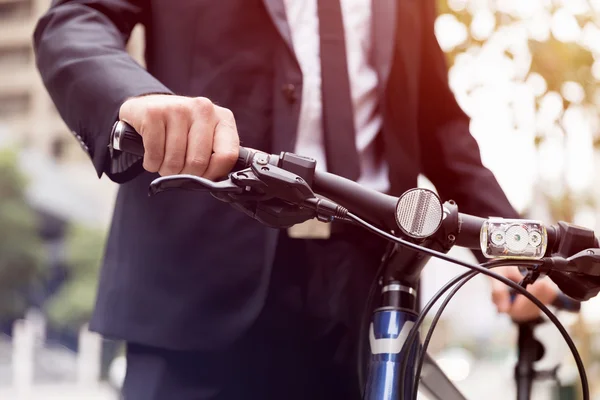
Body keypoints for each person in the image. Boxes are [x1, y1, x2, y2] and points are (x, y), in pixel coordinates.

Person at [33, 0, 556, 398]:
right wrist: (138, 96)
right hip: (198, 282)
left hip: (365, 290)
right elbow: (76, 18)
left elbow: (438, 123)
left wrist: (512, 242)